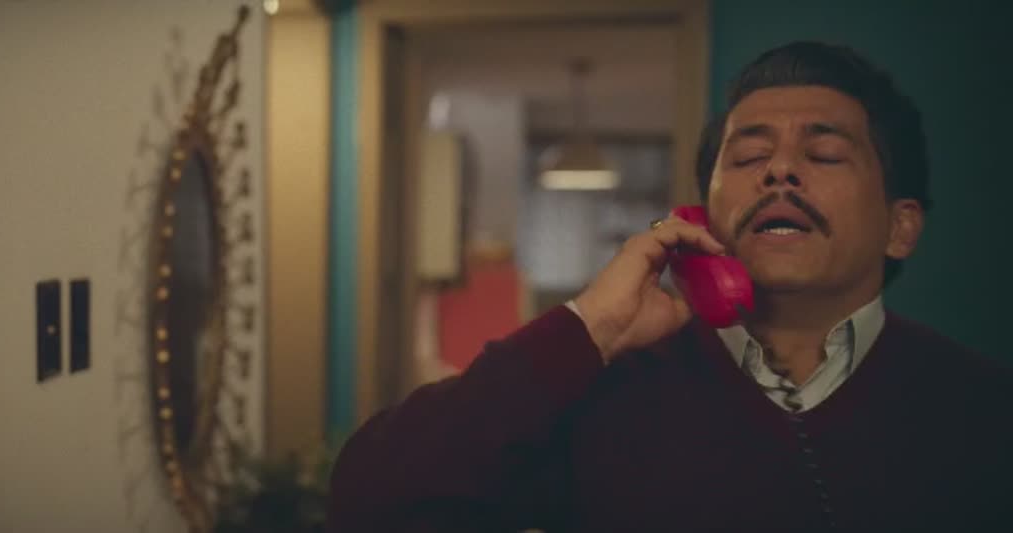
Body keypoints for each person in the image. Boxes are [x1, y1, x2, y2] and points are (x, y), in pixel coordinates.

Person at [326, 41, 1013, 532]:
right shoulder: (606, 392)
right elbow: (370, 499)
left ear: (900, 226)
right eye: (749, 155)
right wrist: (589, 328)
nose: (777, 171)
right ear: (701, 215)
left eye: (824, 153)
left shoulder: (983, 410)